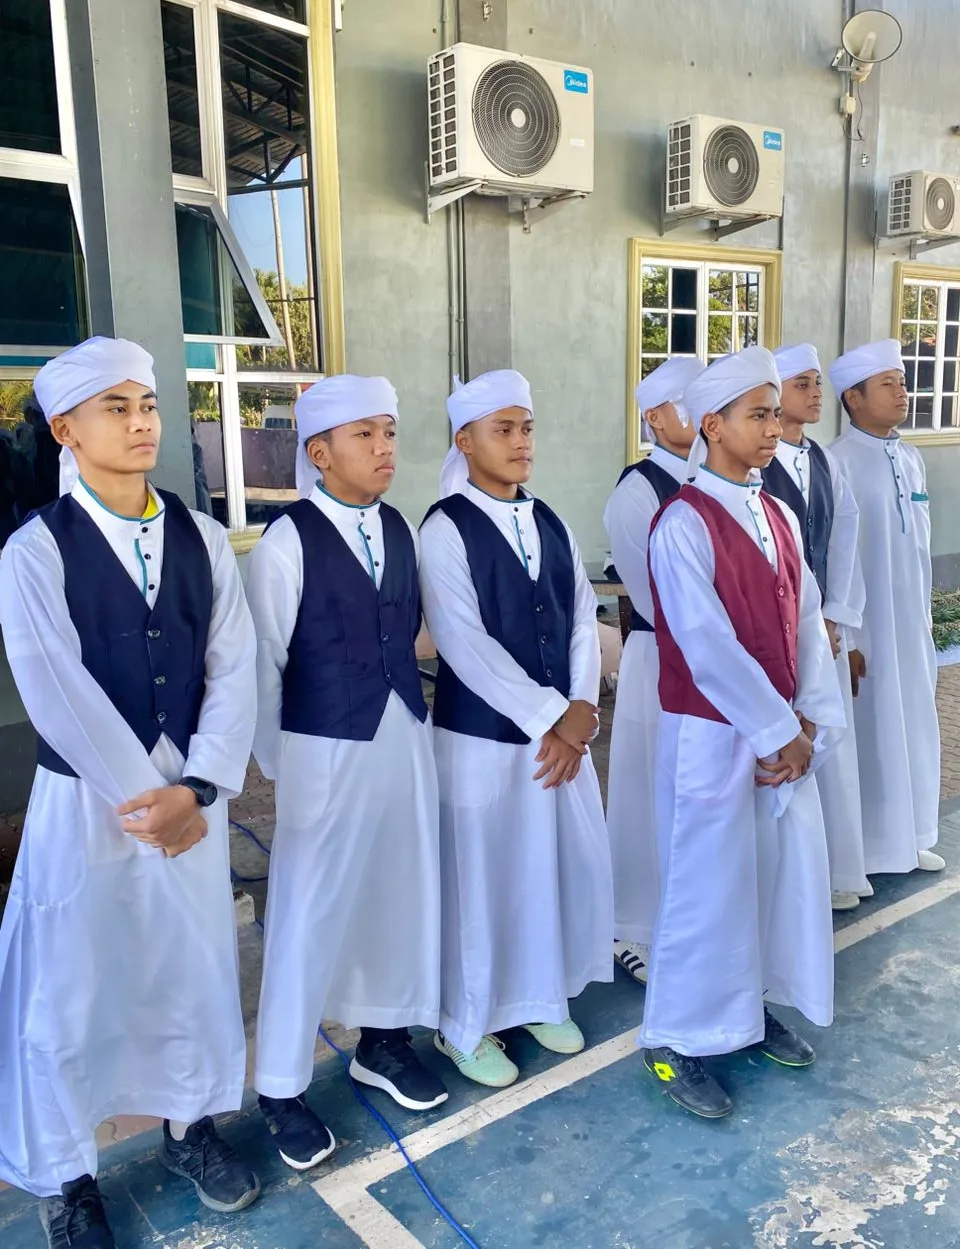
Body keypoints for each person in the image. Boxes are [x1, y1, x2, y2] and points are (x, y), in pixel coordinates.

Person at [0, 337, 260, 1249]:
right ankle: (68, 1177)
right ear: (65, 430)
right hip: (88, 804)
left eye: (147, 404)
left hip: (190, 795)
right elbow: (54, 685)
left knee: (190, 971)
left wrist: (201, 784)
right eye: (116, 407)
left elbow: (234, 662)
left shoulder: (199, 536)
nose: (142, 421)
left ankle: (191, 1129)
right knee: (71, 990)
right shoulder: (35, 549)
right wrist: (151, 798)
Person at [640, 347, 844, 1119]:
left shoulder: (778, 514)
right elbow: (707, 644)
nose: (772, 429)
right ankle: (672, 1039)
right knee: (705, 889)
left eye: (773, 415)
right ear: (712, 426)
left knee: (764, 880)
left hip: (779, 738)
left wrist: (812, 721)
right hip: (712, 737)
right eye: (757, 416)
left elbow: (806, 626)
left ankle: (744, 1014)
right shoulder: (682, 522)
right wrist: (777, 730)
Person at [249, 375, 445, 1172]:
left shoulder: (399, 527)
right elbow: (261, 667)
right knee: (310, 912)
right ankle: (280, 1087)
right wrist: (282, 764)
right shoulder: (285, 542)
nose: (384, 447)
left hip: (402, 738)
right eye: (365, 435)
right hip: (322, 748)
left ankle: (384, 1041)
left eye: (389, 431)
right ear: (320, 452)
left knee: (398, 892)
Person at [418, 371, 614, 1089]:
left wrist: (581, 710)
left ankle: (535, 999)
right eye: (503, 429)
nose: (521, 441)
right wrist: (553, 716)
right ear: (465, 440)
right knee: (482, 884)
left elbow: (582, 620)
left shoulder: (550, 520)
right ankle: (464, 1025)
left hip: (559, 739)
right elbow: (462, 642)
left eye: (526, 427)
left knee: (543, 874)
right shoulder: (444, 527)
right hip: (480, 744)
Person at [602, 356, 704, 982]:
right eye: (684, 402)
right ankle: (632, 925)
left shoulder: (718, 479)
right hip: (661, 656)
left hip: (711, 666)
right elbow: (654, 596)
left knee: (694, 794)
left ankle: (688, 917)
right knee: (647, 789)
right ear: (654, 419)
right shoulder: (638, 491)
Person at [761, 344, 870, 911]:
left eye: (816, 382)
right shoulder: (757, 463)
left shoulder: (823, 459)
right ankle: (791, 882)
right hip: (779, 634)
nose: (815, 392)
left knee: (830, 743)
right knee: (789, 744)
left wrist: (834, 615)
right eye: (801, 383)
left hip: (822, 628)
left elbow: (845, 530)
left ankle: (835, 869)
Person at [828, 340, 943, 876]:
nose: (903, 392)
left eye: (902, 382)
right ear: (853, 398)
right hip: (868, 630)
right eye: (888, 384)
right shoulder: (837, 462)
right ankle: (872, 850)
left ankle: (913, 835)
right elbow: (836, 559)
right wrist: (848, 639)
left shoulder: (911, 459)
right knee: (872, 733)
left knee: (915, 724)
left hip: (911, 626)